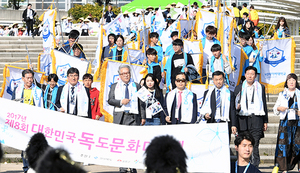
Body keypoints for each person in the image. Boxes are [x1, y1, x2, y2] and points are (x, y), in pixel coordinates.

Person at [234, 66, 268, 168]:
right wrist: (237, 108)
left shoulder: (261, 87)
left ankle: (254, 167)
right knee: (242, 144)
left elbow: (264, 104)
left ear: (255, 76)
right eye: (248, 74)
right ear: (245, 75)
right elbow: (234, 106)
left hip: (257, 118)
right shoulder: (239, 88)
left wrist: (265, 121)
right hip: (243, 119)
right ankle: (241, 166)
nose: (250, 76)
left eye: (252, 74)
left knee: (255, 144)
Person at [273, 74, 300, 172]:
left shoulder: (299, 93)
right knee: (283, 145)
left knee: (297, 145)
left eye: (293, 80)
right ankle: (283, 168)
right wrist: (279, 108)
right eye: (289, 80)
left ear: (296, 82)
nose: (291, 82)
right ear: (286, 82)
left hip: (298, 123)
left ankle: (296, 165)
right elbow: (275, 108)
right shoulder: (282, 94)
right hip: (285, 122)